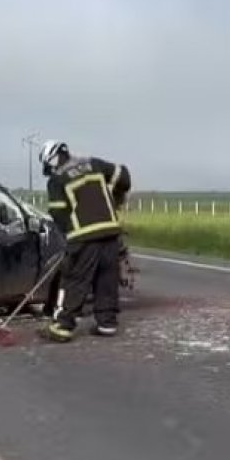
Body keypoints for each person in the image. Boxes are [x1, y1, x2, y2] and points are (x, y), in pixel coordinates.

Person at [39, 140, 131, 342]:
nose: (50, 169)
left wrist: (70, 234)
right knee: (106, 278)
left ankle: (63, 326)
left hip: (84, 236)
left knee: (74, 279)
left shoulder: (57, 180)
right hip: (110, 232)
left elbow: (58, 212)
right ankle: (107, 323)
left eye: (48, 165)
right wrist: (113, 196)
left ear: (52, 158)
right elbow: (124, 175)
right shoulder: (93, 164)